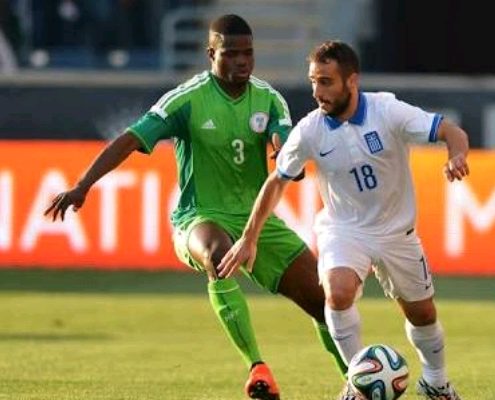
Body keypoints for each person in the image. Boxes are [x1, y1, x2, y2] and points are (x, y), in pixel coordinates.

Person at [44, 15, 346, 400]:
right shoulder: (186, 99)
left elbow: (282, 140)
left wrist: (285, 156)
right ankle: (258, 369)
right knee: (218, 254)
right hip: (199, 218)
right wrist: (82, 185)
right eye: (231, 53)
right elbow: (131, 139)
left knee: (325, 304)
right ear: (210, 54)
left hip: (257, 222)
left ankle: (355, 381)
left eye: (248, 53)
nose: (242, 61)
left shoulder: (269, 98)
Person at [218, 40, 469, 400]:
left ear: (351, 81)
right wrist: (249, 237)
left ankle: (436, 381)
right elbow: (276, 182)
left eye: (326, 82)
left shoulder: (387, 110)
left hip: (396, 232)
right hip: (344, 229)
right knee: (336, 294)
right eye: (313, 82)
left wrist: (456, 155)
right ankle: (357, 381)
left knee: (422, 314)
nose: (317, 91)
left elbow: (451, 132)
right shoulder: (310, 130)